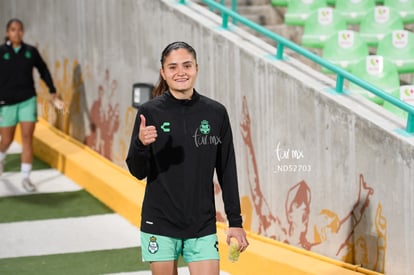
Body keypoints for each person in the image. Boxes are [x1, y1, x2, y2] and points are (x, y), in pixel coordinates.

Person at [126, 41, 249, 275]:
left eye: (187, 65)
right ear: (163, 72)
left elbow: (227, 170)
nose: (180, 72)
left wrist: (235, 222)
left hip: (201, 224)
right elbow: (137, 171)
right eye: (172, 67)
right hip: (159, 222)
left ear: (196, 68)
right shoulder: (149, 112)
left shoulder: (216, 112)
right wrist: (141, 144)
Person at [0, 18, 59, 192]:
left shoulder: (30, 51)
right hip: (6, 103)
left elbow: (43, 69)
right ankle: (1, 157)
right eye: (12, 29)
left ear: (23, 32)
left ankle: (26, 178)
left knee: (27, 138)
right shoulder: (1, 51)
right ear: (7, 33)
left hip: (27, 100)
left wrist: (52, 88)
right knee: (7, 139)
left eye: (19, 29)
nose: (16, 32)